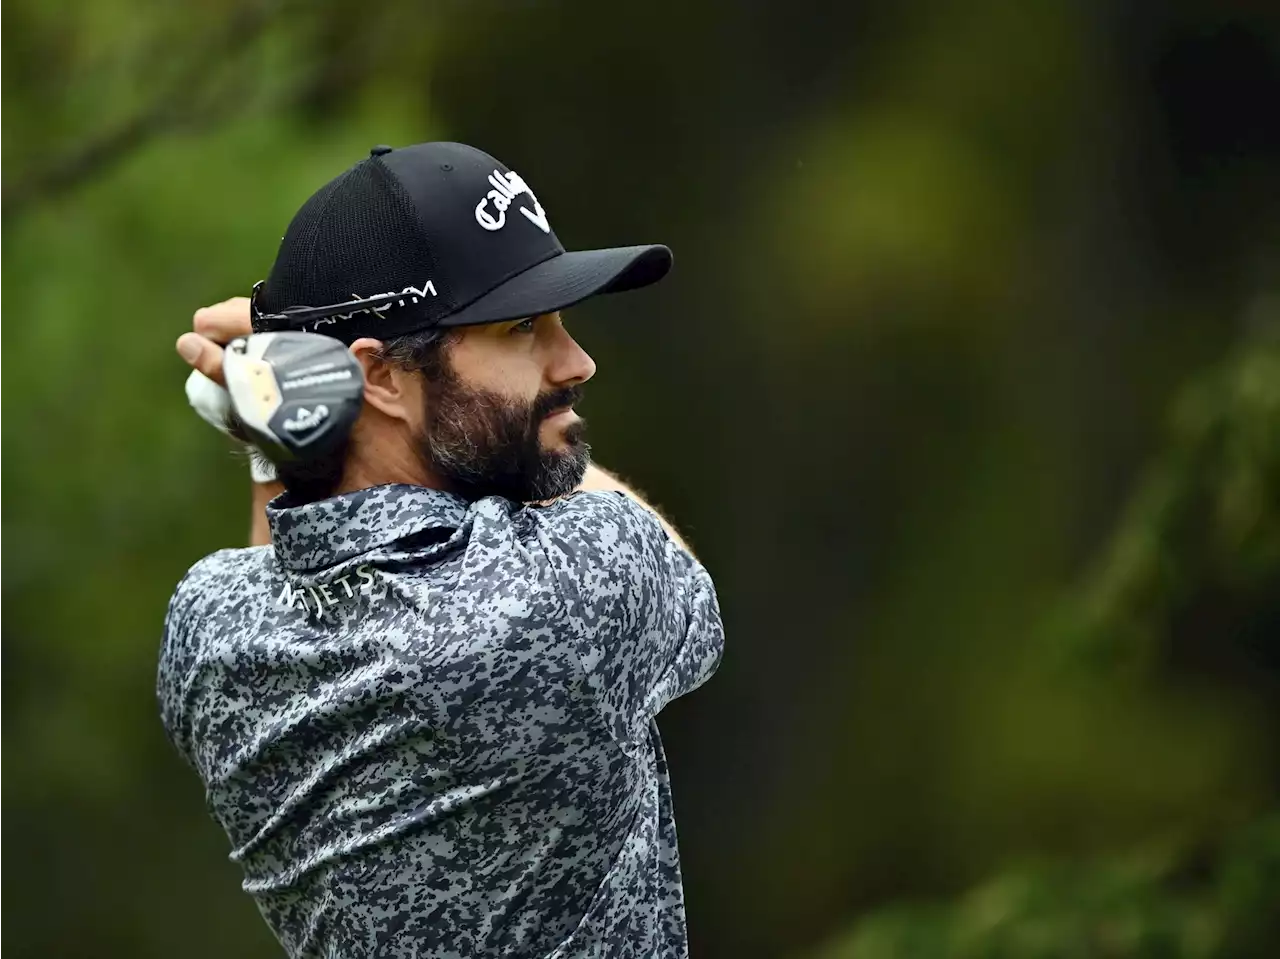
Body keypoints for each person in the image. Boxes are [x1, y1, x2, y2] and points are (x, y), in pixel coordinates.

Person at [157, 142, 725, 959]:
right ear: (380, 379)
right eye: (523, 326)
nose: (576, 361)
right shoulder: (558, 595)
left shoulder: (208, 632)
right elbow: (679, 574)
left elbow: (270, 571)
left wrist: (281, 420)